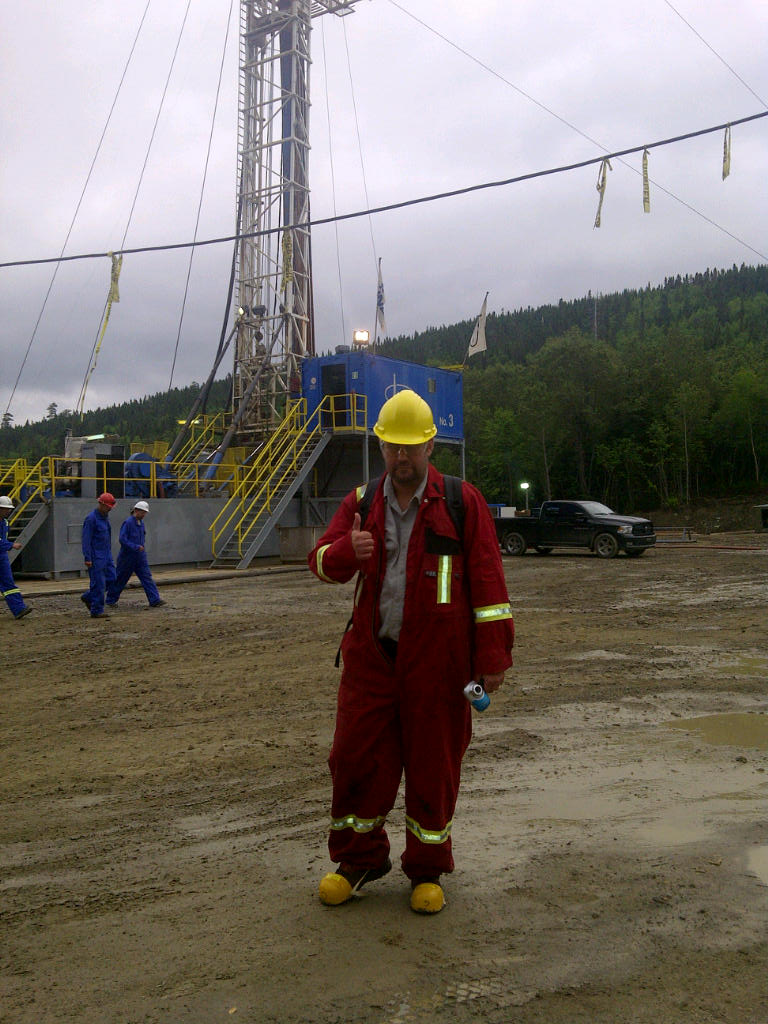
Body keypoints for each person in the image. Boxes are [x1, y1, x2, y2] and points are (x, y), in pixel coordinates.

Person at [308, 389, 514, 914]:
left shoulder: (462, 502)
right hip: (372, 661)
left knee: (433, 766)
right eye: (392, 447)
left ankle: (427, 869)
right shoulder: (360, 503)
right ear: (381, 446)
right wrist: (345, 551)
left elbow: (489, 583)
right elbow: (320, 561)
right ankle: (359, 860)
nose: (401, 457)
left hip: (439, 665)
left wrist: (492, 658)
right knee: (354, 758)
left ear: (429, 447)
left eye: (410, 447)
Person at [106, 500, 165, 609]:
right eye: (143, 512)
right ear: (136, 510)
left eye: (145, 513)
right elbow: (122, 539)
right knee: (120, 578)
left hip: (140, 557)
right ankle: (110, 600)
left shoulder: (140, 523)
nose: (144, 515)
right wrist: (135, 547)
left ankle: (154, 600)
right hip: (127, 557)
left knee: (146, 577)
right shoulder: (128, 523)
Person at [81, 492, 117, 619]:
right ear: (101, 504)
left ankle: (88, 597)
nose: (110, 509)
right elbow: (86, 540)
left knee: (112, 578)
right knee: (98, 583)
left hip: (106, 555)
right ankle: (97, 610)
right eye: (108, 507)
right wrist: (88, 557)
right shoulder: (91, 519)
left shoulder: (104, 518)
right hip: (96, 557)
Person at [0, 495, 33, 620]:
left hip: (2, 556)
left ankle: (19, 609)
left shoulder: (5, 523)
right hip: (2, 553)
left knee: (8, 583)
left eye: (9, 509)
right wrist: (11, 545)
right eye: (5, 509)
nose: (8, 511)